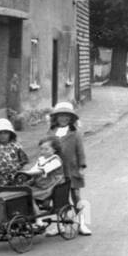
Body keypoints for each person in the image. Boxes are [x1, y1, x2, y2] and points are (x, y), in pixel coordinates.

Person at [47, 101, 90, 235]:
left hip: (72, 170)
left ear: (71, 118)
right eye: (61, 116)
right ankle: (62, 224)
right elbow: (46, 149)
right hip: (56, 171)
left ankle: (82, 223)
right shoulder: (51, 132)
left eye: (67, 116)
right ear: (56, 118)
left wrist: (81, 166)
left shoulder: (75, 133)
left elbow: (80, 151)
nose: (64, 118)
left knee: (76, 196)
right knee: (60, 198)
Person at [0, 119, 28, 194]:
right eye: (0, 133)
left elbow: (23, 161)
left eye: (5, 133)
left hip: (14, 178)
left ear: (10, 134)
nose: (3, 135)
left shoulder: (16, 147)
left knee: (14, 197)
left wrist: (16, 170)